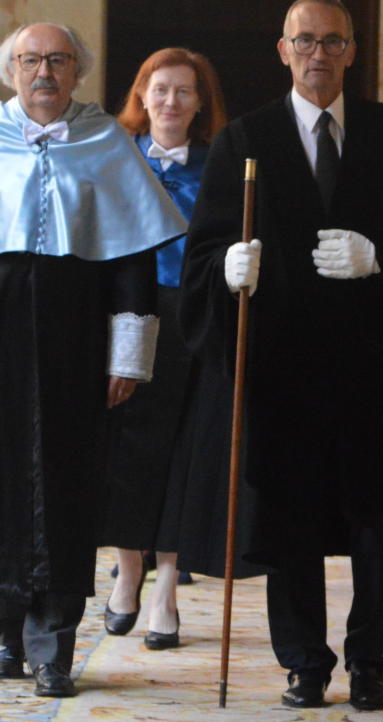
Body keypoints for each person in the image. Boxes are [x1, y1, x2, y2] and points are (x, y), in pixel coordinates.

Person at [179, 0, 383, 711]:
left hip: (376, 368)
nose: (318, 55)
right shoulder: (244, 141)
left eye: (332, 42)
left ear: (352, 51)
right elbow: (204, 253)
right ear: (283, 51)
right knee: (292, 522)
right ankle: (305, 661)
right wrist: (227, 271)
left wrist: (381, 257)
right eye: (304, 41)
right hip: (285, 371)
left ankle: (370, 660)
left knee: (378, 523)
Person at [0, 22, 187, 699]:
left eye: (57, 61)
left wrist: (129, 355)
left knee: (67, 492)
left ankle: (53, 643)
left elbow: (132, 264)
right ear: (12, 72)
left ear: (76, 72)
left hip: (76, 352)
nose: (44, 74)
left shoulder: (108, 146)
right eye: (31, 61)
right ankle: (7, 632)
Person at [102, 47, 227, 649]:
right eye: (160, 89)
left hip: (196, 320)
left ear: (200, 103)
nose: (170, 102)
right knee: (132, 449)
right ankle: (127, 573)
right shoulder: (116, 160)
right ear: (142, 96)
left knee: (185, 450)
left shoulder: (220, 165)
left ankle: (167, 588)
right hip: (132, 316)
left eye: (183, 91)